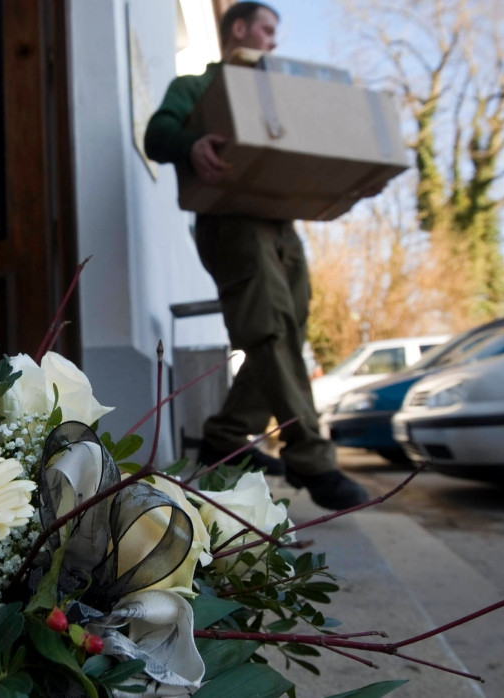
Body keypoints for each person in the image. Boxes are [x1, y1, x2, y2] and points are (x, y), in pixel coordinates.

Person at [144, 2, 370, 510]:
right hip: (230, 222)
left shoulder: (278, 96)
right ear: (239, 28)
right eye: (267, 29)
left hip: (282, 225)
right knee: (269, 328)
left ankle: (225, 437)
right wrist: (190, 144)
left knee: (287, 333)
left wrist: (351, 177)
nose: (273, 41)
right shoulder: (197, 86)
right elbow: (157, 134)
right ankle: (311, 457)